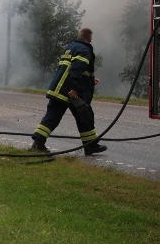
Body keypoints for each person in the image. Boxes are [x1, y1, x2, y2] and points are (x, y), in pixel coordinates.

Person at [30, 27, 107, 156]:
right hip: (69, 90)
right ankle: (90, 146)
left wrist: (90, 80)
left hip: (59, 88)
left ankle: (38, 143)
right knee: (85, 115)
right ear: (89, 39)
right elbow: (75, 70)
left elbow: (76, 70)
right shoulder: (84, 50)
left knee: (53, 117)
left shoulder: (71, 47)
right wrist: (74, 89)